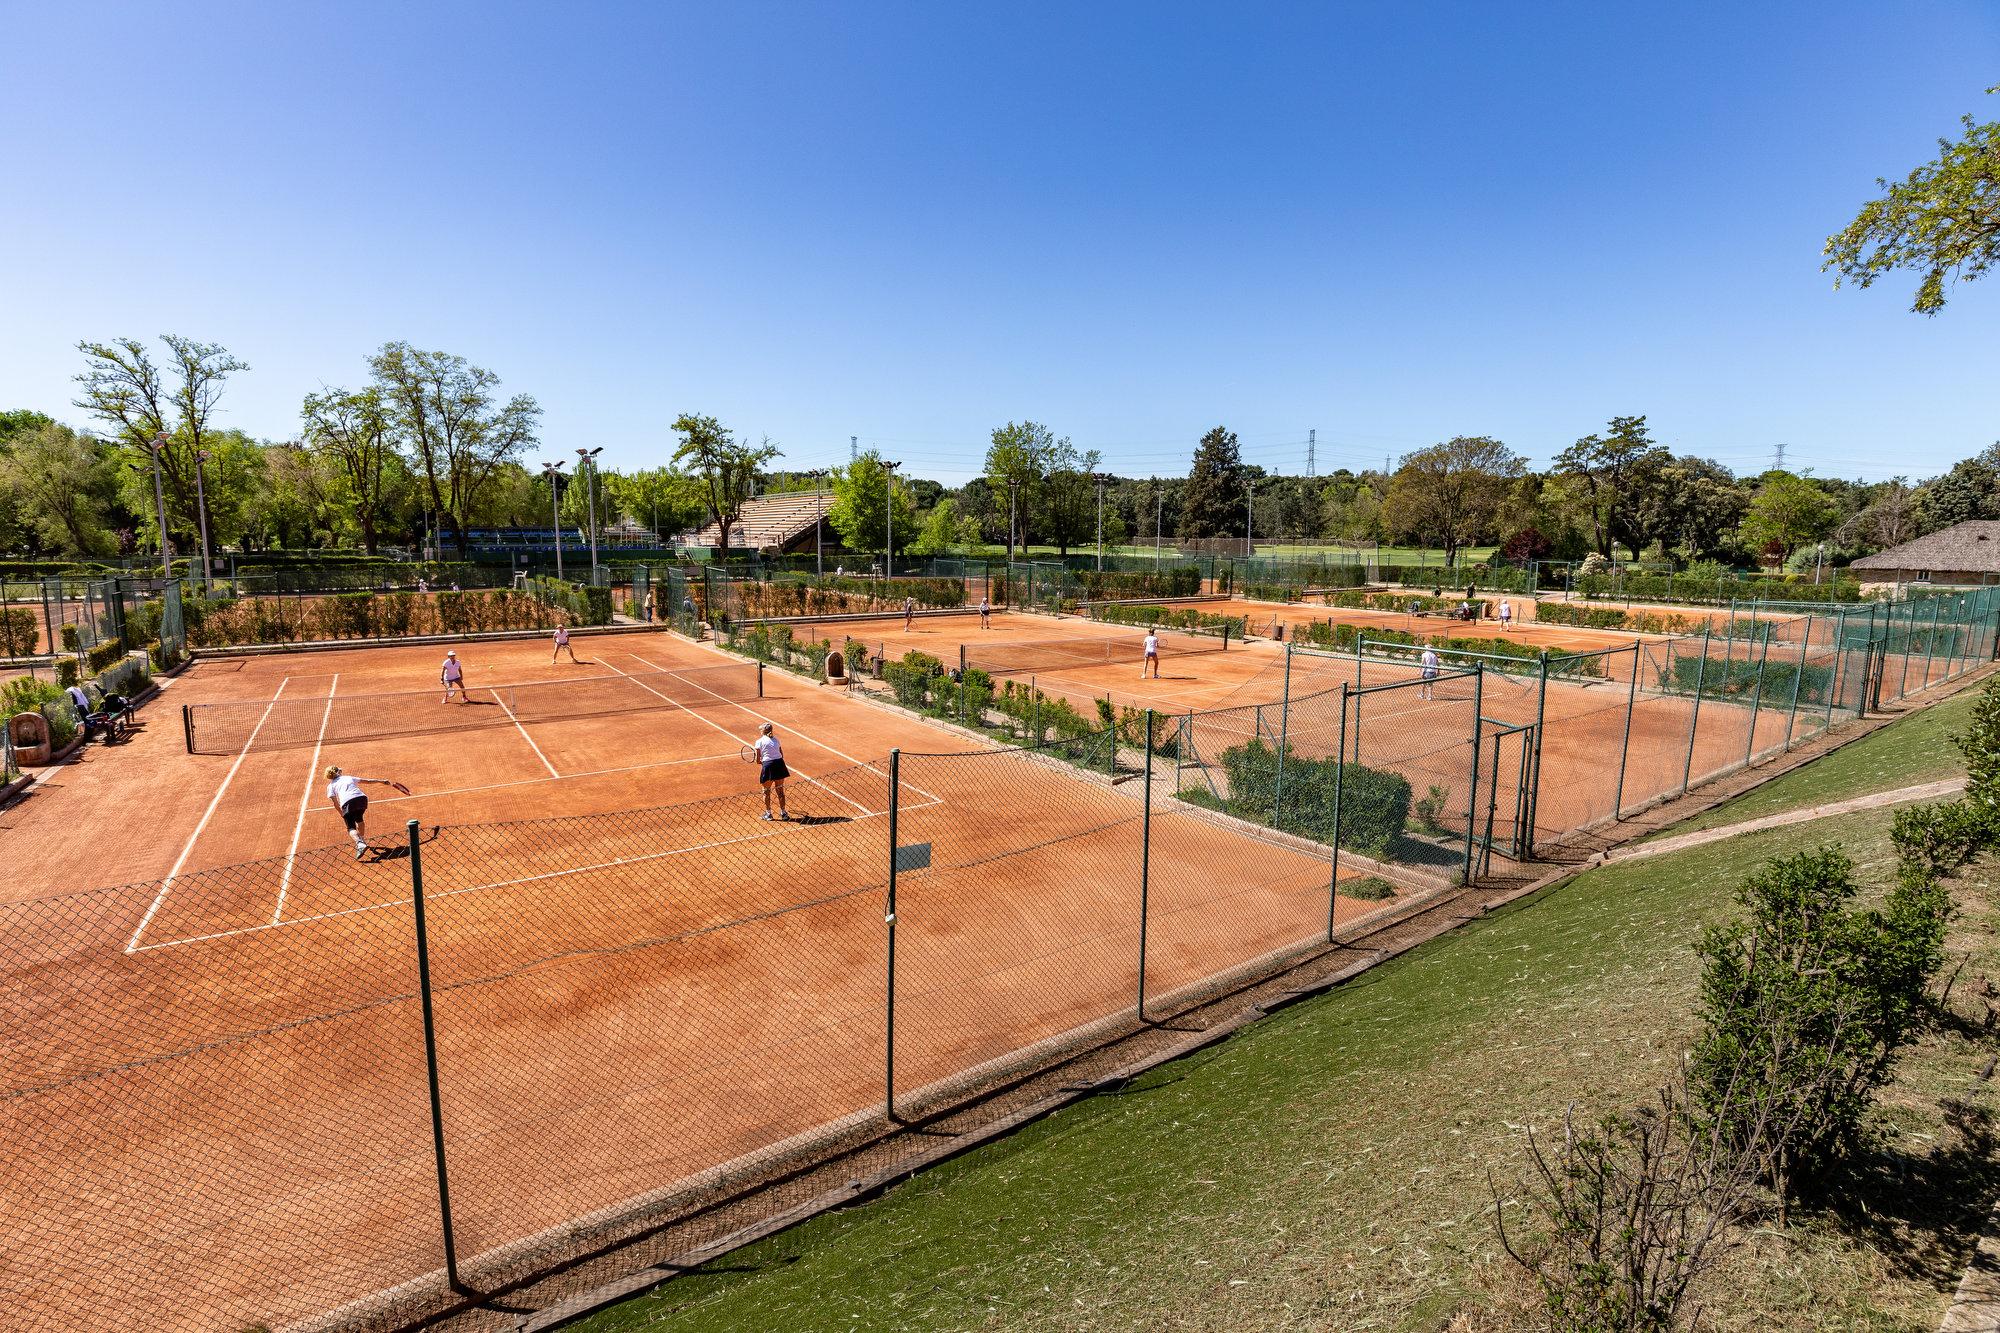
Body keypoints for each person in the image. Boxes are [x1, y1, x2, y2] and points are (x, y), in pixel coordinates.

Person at [324, 766, 410, 859]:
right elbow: (368, 781)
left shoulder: (330, 786)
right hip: (362, 799)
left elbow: (335, 802)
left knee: (351, 827)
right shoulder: (348, 777)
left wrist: (341, 813)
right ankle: (362, 840)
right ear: (338, 772)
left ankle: (360, 843)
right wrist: (381, 781)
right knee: (359, 819)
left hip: (347, 803)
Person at [752, 721, 790, 821]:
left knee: (766, 792)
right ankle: (784, 813)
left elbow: (758, 760)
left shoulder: (759, 741)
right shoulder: (776, 740)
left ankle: (768, 814)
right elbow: (781, 754)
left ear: (763, 731)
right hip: (779, 765)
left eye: (761, 729)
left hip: (768, 766)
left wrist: (764, 763)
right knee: (780, 791)